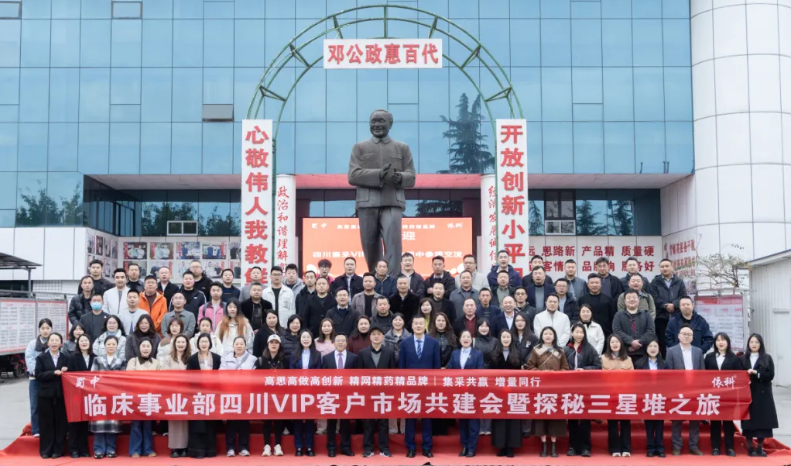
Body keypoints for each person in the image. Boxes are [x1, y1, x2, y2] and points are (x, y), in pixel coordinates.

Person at [399, 315, 441, 458]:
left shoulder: (433, 343)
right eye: (415, 323)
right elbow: (402, 367)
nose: (418, 326)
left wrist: (435, 387)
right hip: (410, 388)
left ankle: (427, 447)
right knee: (410, 418)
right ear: (412, 326)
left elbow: (436, 367)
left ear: (425, 326)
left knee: (427, 418)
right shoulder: (405, 343)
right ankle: (410, 447)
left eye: (420, 324)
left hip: (428, 388)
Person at [526, 326, 569, 458]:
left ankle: (554, 446)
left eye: (550, 334)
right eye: (545, 334)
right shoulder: (536, 350)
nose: (548, 336)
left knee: (555, 417)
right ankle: (544, 445)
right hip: (540, 389)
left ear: (554, 336)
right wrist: (541, 372)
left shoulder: (560, 351)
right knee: (541, 417)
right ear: (542, 336)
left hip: (556, 389)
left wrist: (556, 374)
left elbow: (566, 369)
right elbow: (529, 367)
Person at [355, 325, 396, 457]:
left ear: (382, 336)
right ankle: (368, 448)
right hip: (368, 393)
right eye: (373, 334)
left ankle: (384, 448)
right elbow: (359, 375)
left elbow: (393, 374)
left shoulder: (389, 353)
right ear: (370, 337)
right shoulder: (363, 353)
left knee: (384, 422)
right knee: (368, 422)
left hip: (384, 394)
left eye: (379, 334)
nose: (376, 336)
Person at [665, 324, 705, 455]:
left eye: (689, 334)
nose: (686, 336)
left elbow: (702, 372)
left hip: (694, 389)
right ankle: (677, 445)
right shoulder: (671, 351)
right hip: (678, 390)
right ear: (678, 336)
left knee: (695, 418)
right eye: (684, 334)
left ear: (693, 337)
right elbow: (668, 373)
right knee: (677, 418)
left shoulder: (698, 352)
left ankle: (693, 445)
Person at [565, 323, 601, 457]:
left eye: (581, 332)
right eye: (576, 332)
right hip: (570, 388)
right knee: (572, 419)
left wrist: (584, 369)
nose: (579, 334)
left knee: (585, 418)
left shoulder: (590, 349)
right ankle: (573, 446)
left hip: (585, 387)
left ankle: (586, 447)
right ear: (572, 333)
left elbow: (598, 366)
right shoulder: (566, 349)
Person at [741, 333, 778, 457]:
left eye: (757, 342)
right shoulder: (742, 358)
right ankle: (750, 448)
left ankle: (760, 448)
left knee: (762, 422)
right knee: (748, 422)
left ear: (761, 344)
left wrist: (756, 373)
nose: (754, 344)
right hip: (747, 393)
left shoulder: (767, 358)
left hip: (762, 394)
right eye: (751, 342)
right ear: (748, 344)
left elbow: (770, 375)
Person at [447, 329, 484, 457]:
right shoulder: (455, 354)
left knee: (473, 422)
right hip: (459, 393)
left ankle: (472, 448)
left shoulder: (477, 354)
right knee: (462, 422)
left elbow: (480, 371)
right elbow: (450, 370)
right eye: (463, 337)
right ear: (460, 339)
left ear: (471, 340)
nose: (466, 339)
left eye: (468, 337)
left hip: (473, 393)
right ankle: (464, 446)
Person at [704, 333, 741, 457]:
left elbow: (739, 377)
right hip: (713, 395)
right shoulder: (709, 357)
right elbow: (703, 376)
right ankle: (715, 447)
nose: (720, 342)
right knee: (714, 422)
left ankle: (729, 447)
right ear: (715, 343)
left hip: (728, 395)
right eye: (718, 340)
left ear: (728, 342)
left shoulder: (734, 358)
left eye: (723, 340)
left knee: (728, 422)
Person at [186, 333, 222, 458]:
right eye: (202, 342)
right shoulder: (192, 359)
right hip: (198, 396)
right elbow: (189, 378)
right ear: (198, 344)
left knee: (210, 425)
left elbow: (221, 376)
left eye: (206, 341)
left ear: (210, 343)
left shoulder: (217, 358)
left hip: (212, 396)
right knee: (198, 425)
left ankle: (210, 450)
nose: (204, 344)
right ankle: (198, 451)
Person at [90, 335, 125, 459]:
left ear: (117, 346)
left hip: (114, 396)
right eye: (108, 344)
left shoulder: (121, 361)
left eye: (113, 344)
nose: (111, 346)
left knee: (112, 425)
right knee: (99, 423)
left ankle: (111, 449)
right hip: (100, 395)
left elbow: (124, 379)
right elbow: (92, 377)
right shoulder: (97, 360)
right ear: (104, 346)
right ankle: (98, 449)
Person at [321, 332, 356, 457]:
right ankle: (331, 448)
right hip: (332, 395)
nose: (340, 343)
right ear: (334, 343)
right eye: (338, 341)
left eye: (343, 341)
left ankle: (345, 447)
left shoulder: (353, 358)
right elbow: (323, 378)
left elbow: (357, 377)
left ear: (346, 343)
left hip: (347, 395)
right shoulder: (327, 358)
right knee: (331, 422)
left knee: (346, 423)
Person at [492, 329, 526, 458]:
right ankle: (501, 446)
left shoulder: (518, 353)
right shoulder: (494, 354)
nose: (506, 339)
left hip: (513, 391)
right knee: (500, 419)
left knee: (513, 419)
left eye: (508, 337)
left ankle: (511, 447)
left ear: (511, 339)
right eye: (503, 337)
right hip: (498, 392)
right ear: (500, 339)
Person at [220, 336, 256, 457]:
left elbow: (255, 376)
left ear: (245, 346)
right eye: (237, 344)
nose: (239, 346)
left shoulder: (252, 359)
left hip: (245, 393)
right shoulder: (226, 358)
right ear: (233, 346)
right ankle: (230, 448)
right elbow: (221, 373)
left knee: (244, 421)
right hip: (230, 393)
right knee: (231, 421)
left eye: (241, 344)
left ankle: (243, 447)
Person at [35, 331, 68, 459]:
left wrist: (66, 371)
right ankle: (46, 450)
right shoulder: (41, 358)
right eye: (52, 340)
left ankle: (58, 450)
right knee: (46, 423)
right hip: (45, 395)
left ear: (61, 343)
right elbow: (38, 375)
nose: (54, 343)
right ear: (48, 343)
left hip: (61, 395)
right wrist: (53, 373)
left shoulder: (65, 358)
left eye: (57, 340)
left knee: (60, 423)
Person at [126, 338, 161, 458]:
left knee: (148, 424)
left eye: (148, 346)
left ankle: (148, 449)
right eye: (143, 346)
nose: (146, 348)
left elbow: (160, 379)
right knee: (136, 424)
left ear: (152, 348)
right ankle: (135, 450)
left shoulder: (156, 362)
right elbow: (130, 377)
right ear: (139, 348)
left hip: (151, 397)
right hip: (136, 397)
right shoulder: (133, 361)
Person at [601, 334, 633, 457]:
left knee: (626, 423)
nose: (615, 344)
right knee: (612, 423)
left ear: (621, 344)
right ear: (609, 344)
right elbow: (602, 378)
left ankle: (626, 448)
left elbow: (633, 378)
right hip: (611, 395)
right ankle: (614, 448)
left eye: (617, 342)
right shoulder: (603, 358)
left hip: (625, 395)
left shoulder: (628, 359)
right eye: (612, 342)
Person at [290, 330, 321, 457]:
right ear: (300, 339)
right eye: (303, 337)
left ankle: (309, 447)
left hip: (311, 392)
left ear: (312, 339)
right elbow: (291, 372)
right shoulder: (294, 354)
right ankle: (298, 447)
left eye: (308, 337)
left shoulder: (317, 354)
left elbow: (319, 373)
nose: (306, 339)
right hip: (297, 391)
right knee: (297, 420)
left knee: (309, 420)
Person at [256, 335, 287, 457]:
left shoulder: (284, 361)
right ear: (267, 345)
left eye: (276, 342)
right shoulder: (261, 361)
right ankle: (267, 445)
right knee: (267, 421)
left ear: (280, 345)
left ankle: (278, 445)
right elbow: (255, 380)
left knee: (279, 420)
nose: (274, 345)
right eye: (271, 342)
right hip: (266, 396)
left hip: (280, 396)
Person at [635, 339, 666, 457]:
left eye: (655, 346)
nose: (653, 349)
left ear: (659, 349)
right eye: (650, 346)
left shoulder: (664, 363)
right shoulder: (639, 363)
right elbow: (637, 382)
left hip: (660, 397)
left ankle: (660, 448)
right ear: (646, 349)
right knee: (648, 424)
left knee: (659, 424)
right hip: (646, 397)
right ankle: (650, 448)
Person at [160, 334, 190, 458]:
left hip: (187, 393)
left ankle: (185, 447)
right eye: (178, 342)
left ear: (187, 344)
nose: (181, 344)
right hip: (172, 393)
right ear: (174, 344)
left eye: (183, 342)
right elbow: (165, 375)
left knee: (185, 421)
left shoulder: (190, 358)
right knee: (174, 420)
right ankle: (174, 448)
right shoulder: (168, 358)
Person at [650, 258, 687, 355]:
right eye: (662, 266)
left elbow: (683, 296)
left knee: (676, 339)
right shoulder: (655, 281)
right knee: (662, 341)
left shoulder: (679, 281)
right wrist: (665, 305)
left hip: (676, 316)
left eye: (667, 266)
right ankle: (663, 361)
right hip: (660, 317)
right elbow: (654, 297)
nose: (664, 268)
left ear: (672, 267)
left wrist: (674, 305)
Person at [66, 334, 94, 458]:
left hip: (90, 394)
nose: (84, 342)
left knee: (84, 423)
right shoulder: (73, 358)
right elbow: (69, 376)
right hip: (75, 394)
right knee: (74, 422)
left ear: (90, 342)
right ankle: (74, 449)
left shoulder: (95, 358)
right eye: (81, 341)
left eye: (86, 340)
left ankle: (84, 449)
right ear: (78, 343)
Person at [611, 290, 656, 364]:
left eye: (634, 297)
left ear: (638, 300)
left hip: (644, 353)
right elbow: (617, 331)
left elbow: (651, 331)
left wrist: (639, 342)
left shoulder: (646, 314)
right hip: (624, 353)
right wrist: (631, 341)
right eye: (629, 298)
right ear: (624, 301)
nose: (632, 299)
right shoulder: (618, 315)